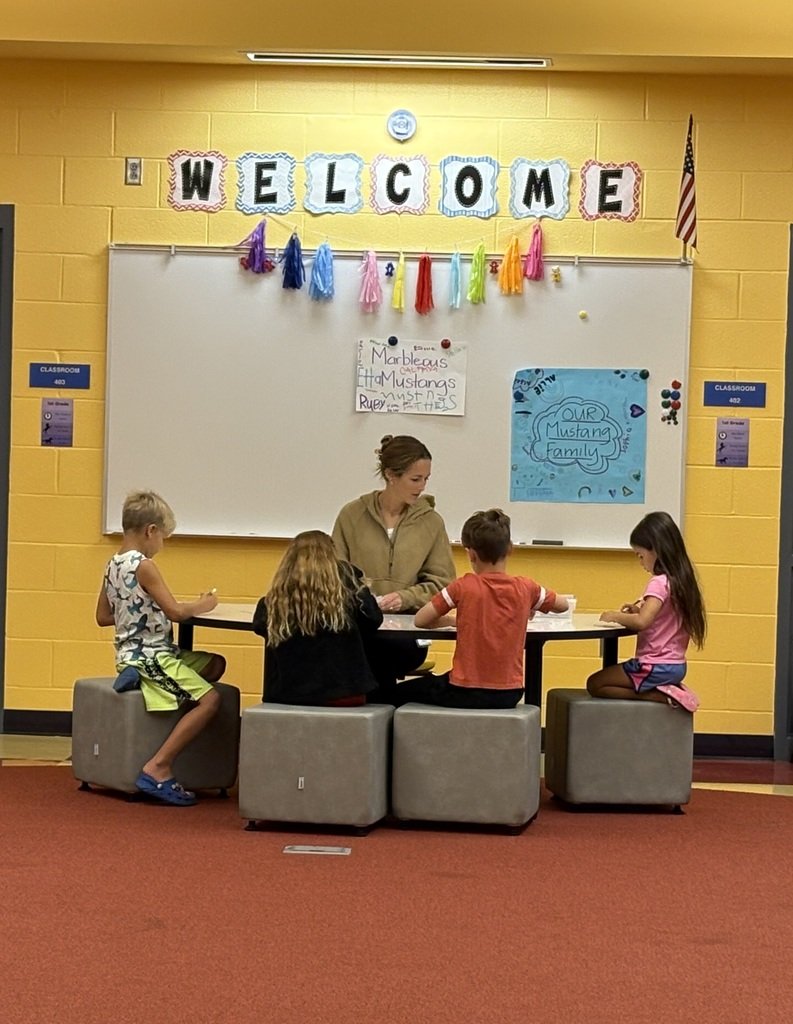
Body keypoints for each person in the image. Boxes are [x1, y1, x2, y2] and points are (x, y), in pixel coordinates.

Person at [95, 490, 226, 806]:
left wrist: (135, 614)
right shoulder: (145, 566)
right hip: (151, 654)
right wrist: (204, 604)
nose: (162, 545)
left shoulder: (112, 564)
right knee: (210, 700)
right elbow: (176, 613)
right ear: (150, 531)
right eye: (164, 537)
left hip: (131, 651)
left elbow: (102, 617)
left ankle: (141, 678)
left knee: (215, 665)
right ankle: (158, 766)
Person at [391, 508, 568, 708]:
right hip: (510, 693)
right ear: (510, 549)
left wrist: (453, 620)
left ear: (471, 555)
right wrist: (528, 607)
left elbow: (421, 620)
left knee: (394, 694)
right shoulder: (526, 587)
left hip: (465, 690)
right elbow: (563, 606)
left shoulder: (462, 586)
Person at [332, 434, 455, 699]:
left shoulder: (432, 522)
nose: (422, 486)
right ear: (390, 475)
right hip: (359, 628)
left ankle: (379, 720)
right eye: (415, 479)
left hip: (408, 630)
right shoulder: (351, 515)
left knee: (383, 657)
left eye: (426, 479)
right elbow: (334, 575)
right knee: (357, 653)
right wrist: (365, 600)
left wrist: (404, 597)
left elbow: (443, 583)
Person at [586, 510, 706, 712]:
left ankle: (656, 696)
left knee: (596, 684)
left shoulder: (659, 582)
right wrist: (635, 610)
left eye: (640, 556)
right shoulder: (680, 580)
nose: (641, 563)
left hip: (654, 665)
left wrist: (616, 616)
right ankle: (665, 690)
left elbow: (643, 622)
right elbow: (663, 616)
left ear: (656, 551)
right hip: (676, 666)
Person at [252, 530, 383, 706]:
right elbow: (373, 620)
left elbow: (259, 627)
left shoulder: (272, 604)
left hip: (285, 695)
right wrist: (353, 579)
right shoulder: (349, 599)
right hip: (343, 693)